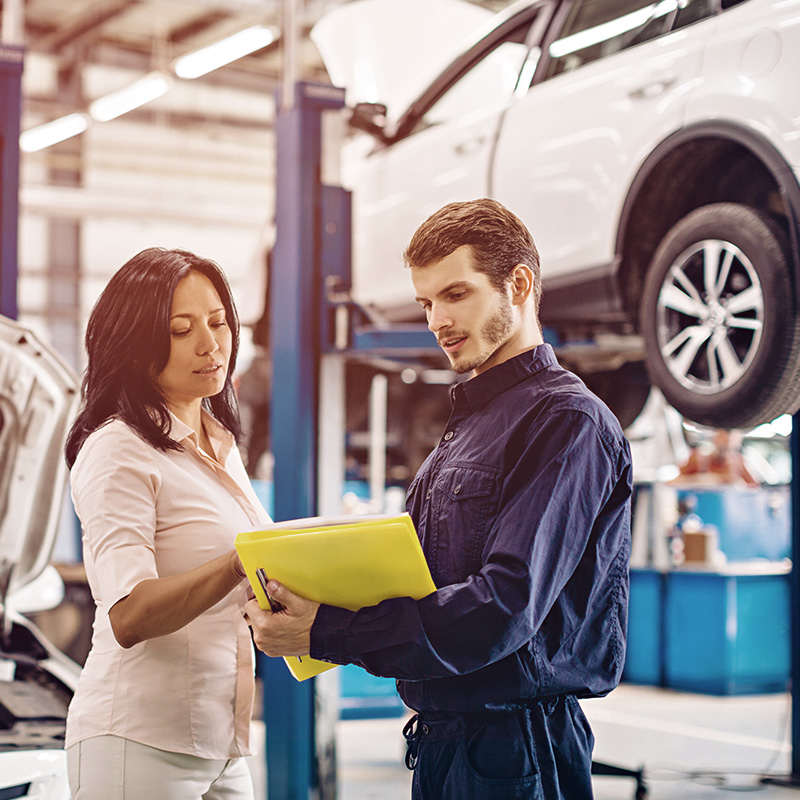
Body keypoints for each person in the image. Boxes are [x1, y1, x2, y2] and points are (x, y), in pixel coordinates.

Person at [245, 199, 632, 799]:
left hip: (516, 750)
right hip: (447, 742)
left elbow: (503, 606)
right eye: (427, 302)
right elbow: (425, 579)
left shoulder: (567, 422)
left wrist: (330, 632)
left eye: (456, 294)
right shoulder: (469, 425)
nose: (436, 320)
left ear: (519, 285)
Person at [64, 248, 270, 799]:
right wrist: (238, 563)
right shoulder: (118, 450)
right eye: (181, 330)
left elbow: (240, 578)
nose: (211, 344)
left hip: (221, 741)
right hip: (137, 741)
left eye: (219, 322)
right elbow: (129, 615)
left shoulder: (220, 443)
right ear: (135, 345)